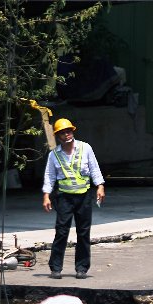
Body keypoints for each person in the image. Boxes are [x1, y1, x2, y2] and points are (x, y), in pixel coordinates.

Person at [42, 118, 105, 279]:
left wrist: (100, 186)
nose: (66, 134)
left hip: (84, 196)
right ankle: (56, 268)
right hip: (64, 197)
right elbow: (49, 176)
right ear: (58, 136)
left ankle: (82, 268)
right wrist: (46, 195)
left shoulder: (85, 148)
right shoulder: (54, 155)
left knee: (83, 232)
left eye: (68, 131)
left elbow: (94, 168)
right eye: (62, 133)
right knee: (61, 232)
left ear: (73, 132)